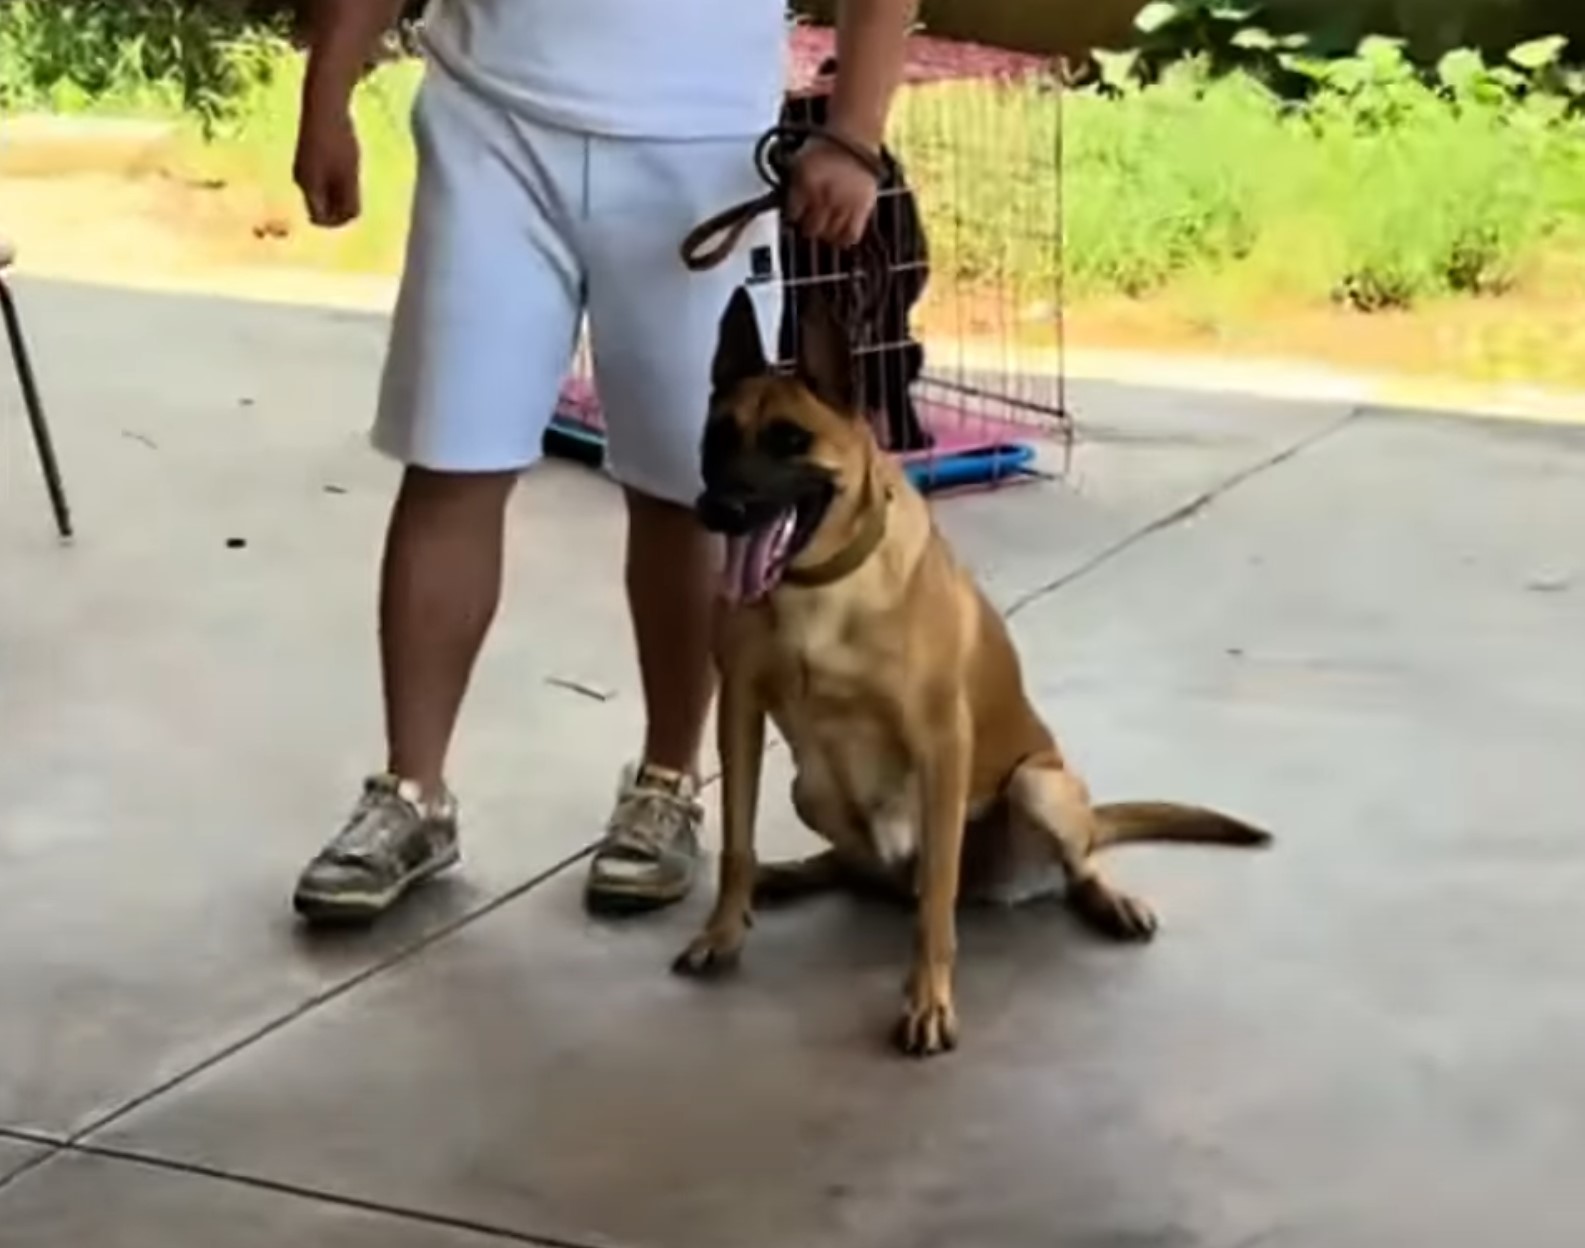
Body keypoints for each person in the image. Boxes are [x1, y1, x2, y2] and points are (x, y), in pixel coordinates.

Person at [289, 0, 916, 922]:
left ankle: (669, 783)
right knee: (450, 459)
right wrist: (326, 94)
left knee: (691, 488)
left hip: (701, 144)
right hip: (490, 122)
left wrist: (854, 133)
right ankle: (410, 796)